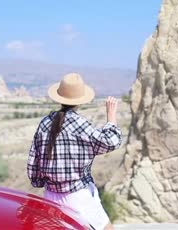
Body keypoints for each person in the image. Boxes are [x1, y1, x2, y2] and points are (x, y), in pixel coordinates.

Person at [27, 73, 122, 230]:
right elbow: (111, 142)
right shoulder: (79, 124)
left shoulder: (44, 123)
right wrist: (111, 118)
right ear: (80, 101)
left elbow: (34, 164)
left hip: (51, 197)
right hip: (79, 196)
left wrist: (41, 182)